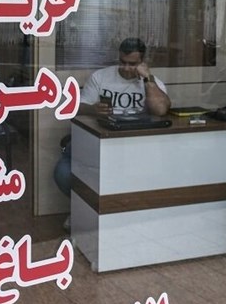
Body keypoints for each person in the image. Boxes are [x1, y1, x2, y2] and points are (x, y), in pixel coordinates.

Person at [53, 37, 171, 208]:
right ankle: (83, 210)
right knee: (63, 172)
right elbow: (76, 107)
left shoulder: (152, 83)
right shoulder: (101, 77)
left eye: (132, 64)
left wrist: (147, 79)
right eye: (122, 62)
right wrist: (93, 109)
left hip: (134, 150)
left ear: (142, 62)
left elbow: (160, 110)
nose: (126, 68)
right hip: (98, 143)